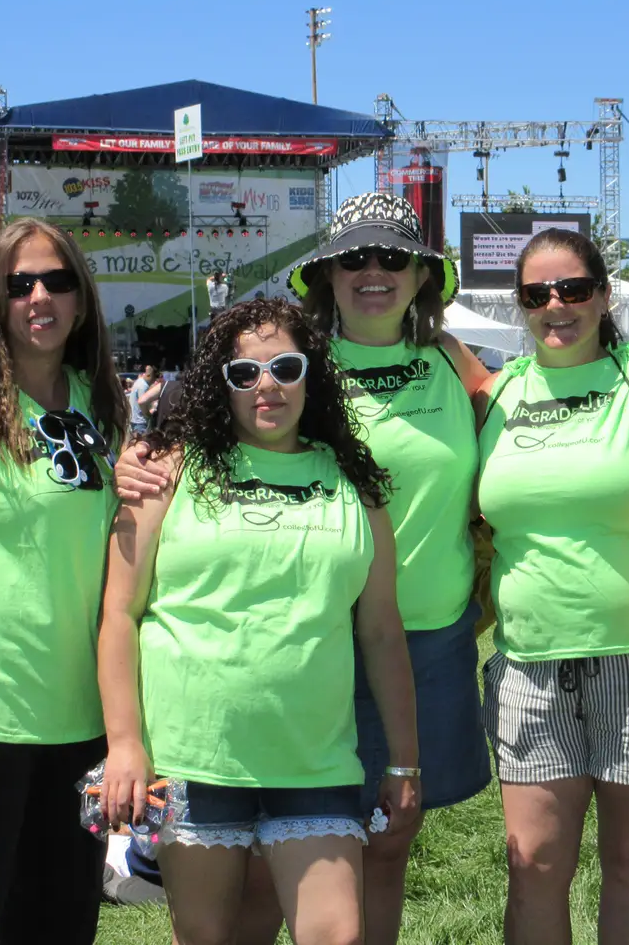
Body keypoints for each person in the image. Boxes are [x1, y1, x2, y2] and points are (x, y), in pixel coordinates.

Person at [116, 193, 491, 945]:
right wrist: (139, 458)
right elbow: (186, 439)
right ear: (326, 276)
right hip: (295, 652)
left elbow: (522, 440)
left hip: (420, 636)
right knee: (256, 872)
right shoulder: (294, 356)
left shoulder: (454, 363)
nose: (374, 271)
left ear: (423, 275)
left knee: (385, 842)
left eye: (392, 257)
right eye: (354, 257)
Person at [98, 299, 419, 945]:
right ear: (221, 383)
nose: (266, 386)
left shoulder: (356, 488)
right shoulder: (166, 473)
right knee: (211, 938)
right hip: (192, 757)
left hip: (316, 761)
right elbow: (119, 616)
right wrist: (126, 744)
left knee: (340, 936)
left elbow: (382, 632)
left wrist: (405, 765)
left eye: (285, 367)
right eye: (244, 373)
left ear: (313, 375)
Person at [477, 228, 629, 945]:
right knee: (533, 864)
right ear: (519, 305)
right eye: (536, 294)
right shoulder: (493, 397)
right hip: (528, 664)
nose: (556, 305)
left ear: (604, 294)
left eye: (573, 289)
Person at [0, 218, 125, 942]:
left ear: (82, 298)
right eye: (20, 285)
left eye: (57, 280)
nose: (39, 297)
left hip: (83, 721)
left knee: (63, 919)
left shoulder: (100, 402)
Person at [129, 363, 162, 434]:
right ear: (151, 376)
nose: (153, 381)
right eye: (154, 378)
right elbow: (142, 403)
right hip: (140, 422)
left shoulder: (138, 381)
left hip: (134, 420)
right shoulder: (143, 386)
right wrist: (149, 415)